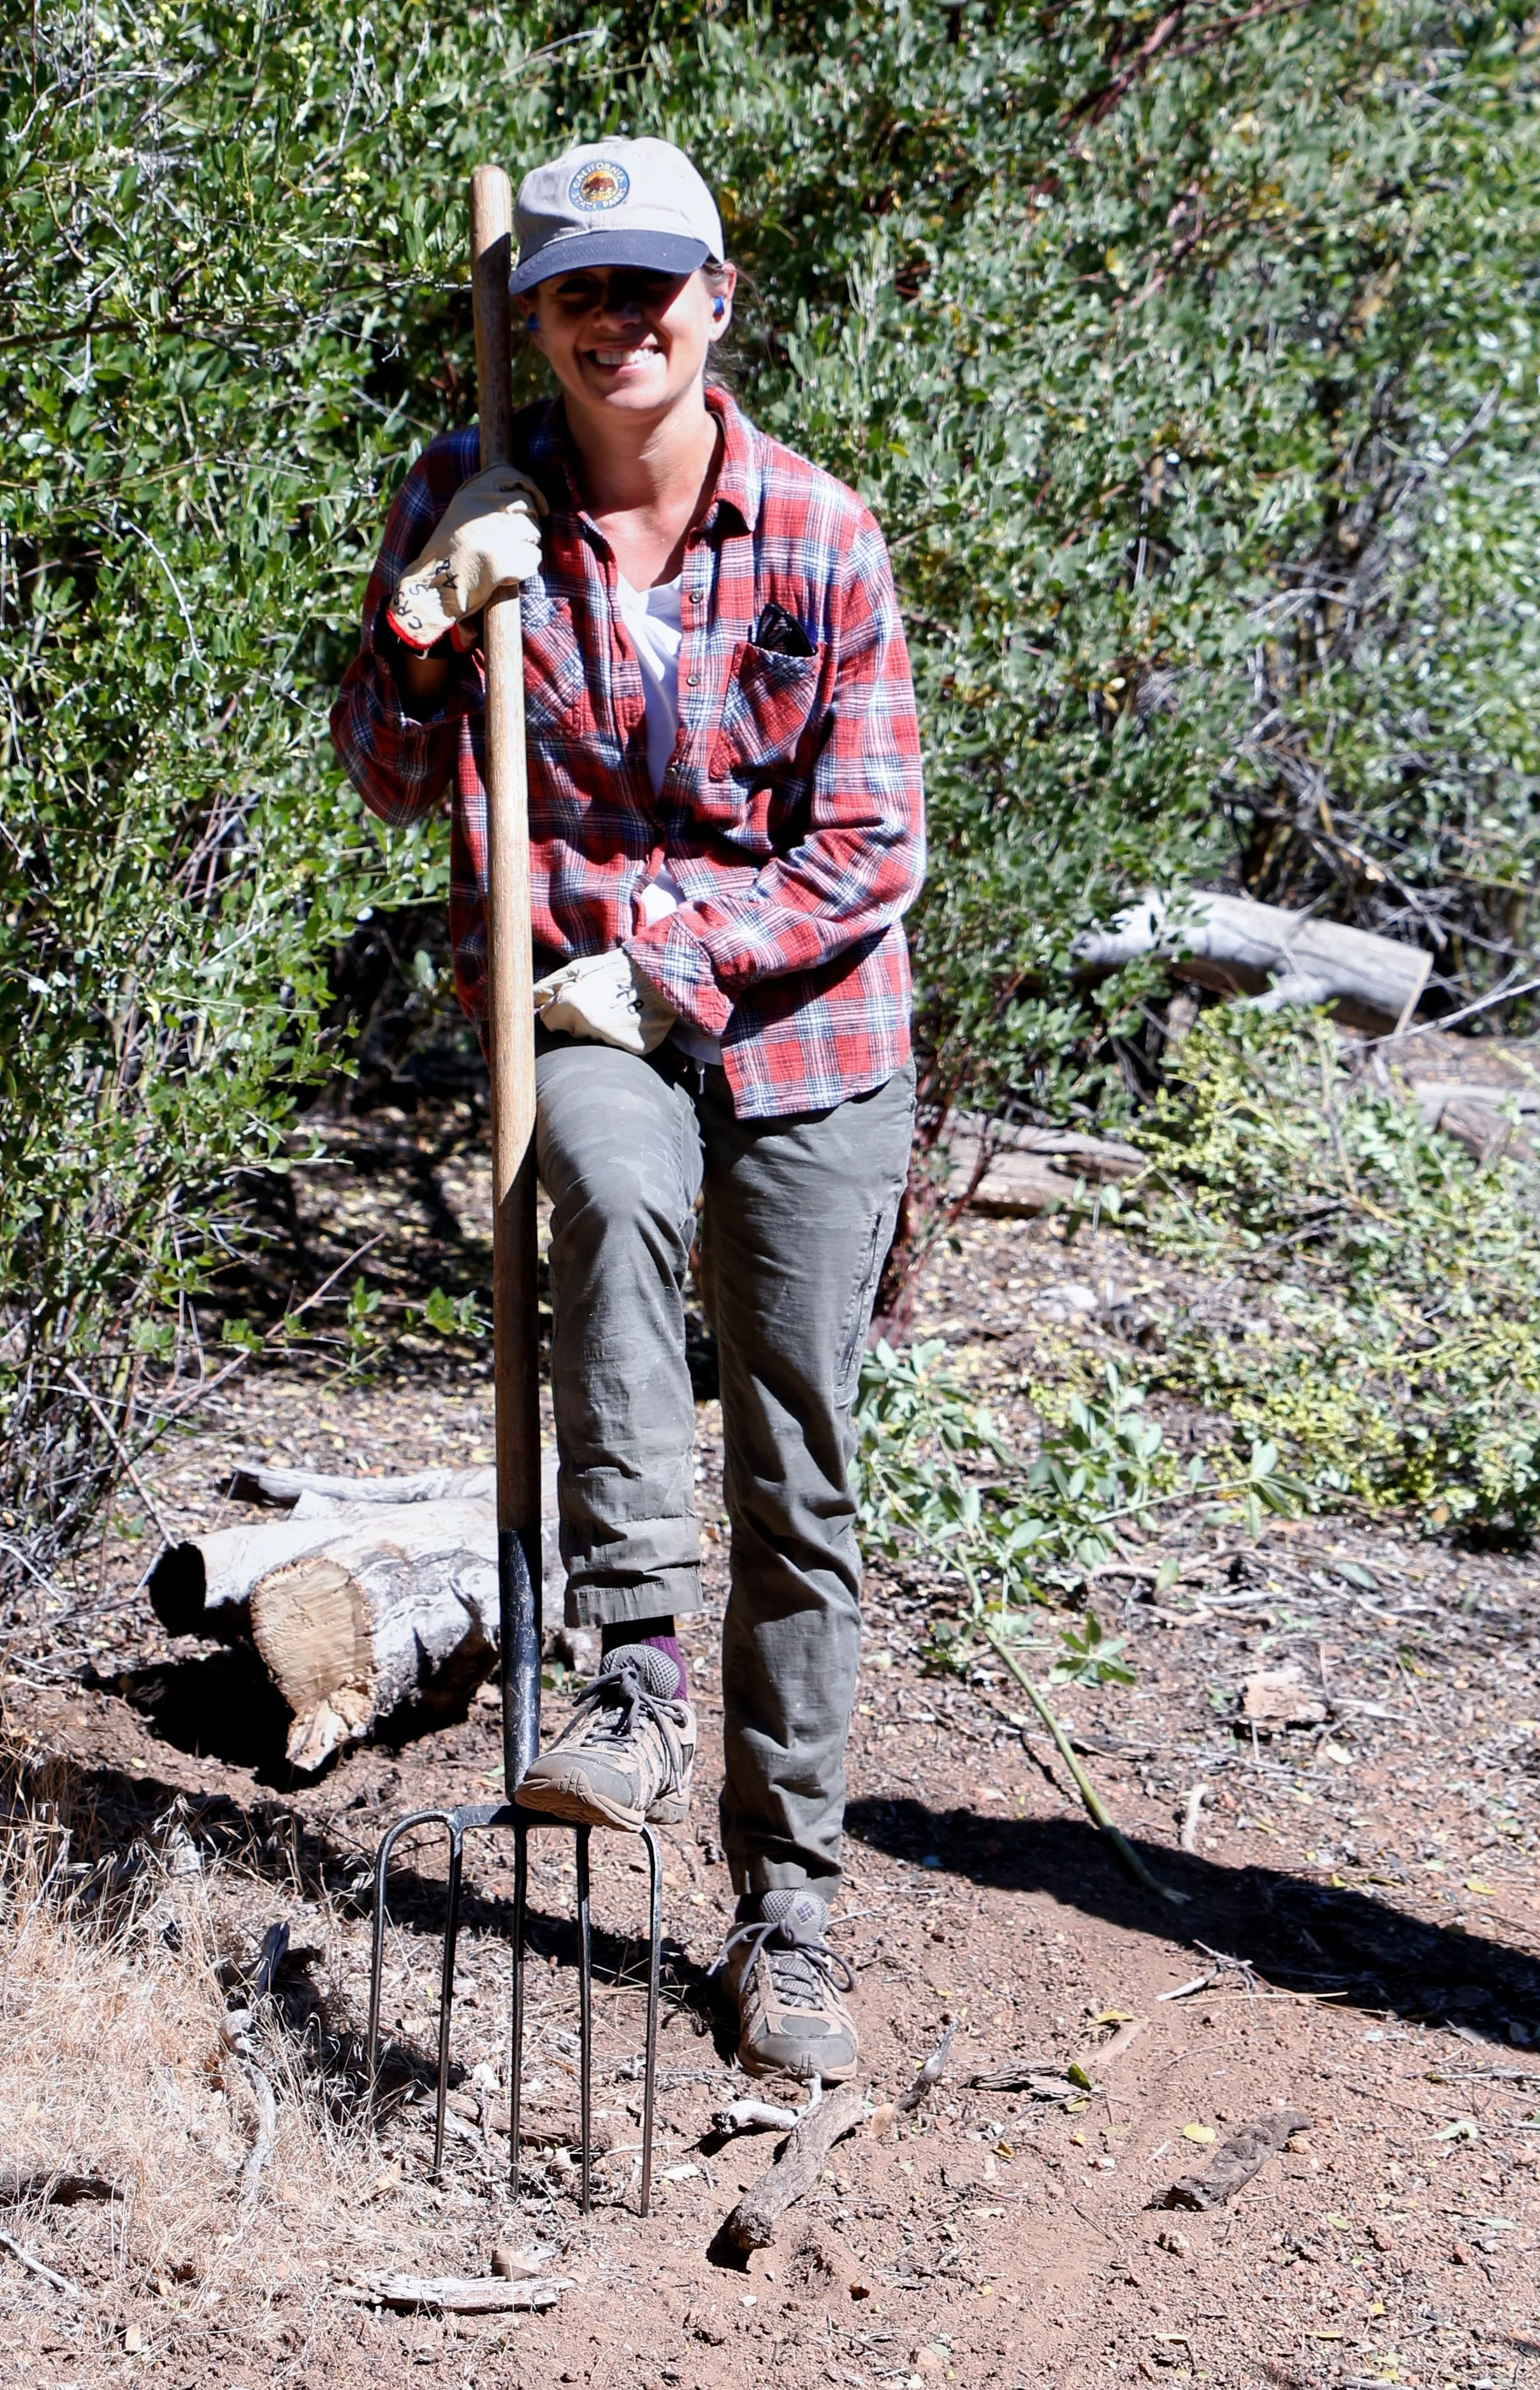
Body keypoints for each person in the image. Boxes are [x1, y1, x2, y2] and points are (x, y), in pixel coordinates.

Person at [331, 136, 924, 2084]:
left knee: (796, 1459)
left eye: (653, 286)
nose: (620, 322)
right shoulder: (470, 485)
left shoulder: (819, 533)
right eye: (581, 291)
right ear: (539, 318)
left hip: (809, 1042)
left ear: (719, 302)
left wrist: (666, 954)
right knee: (595, 1174)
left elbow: (867, 850)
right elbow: (388, 781)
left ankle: (792, 1911)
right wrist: (430, 617)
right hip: (580, 1028)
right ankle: (637, 1666)